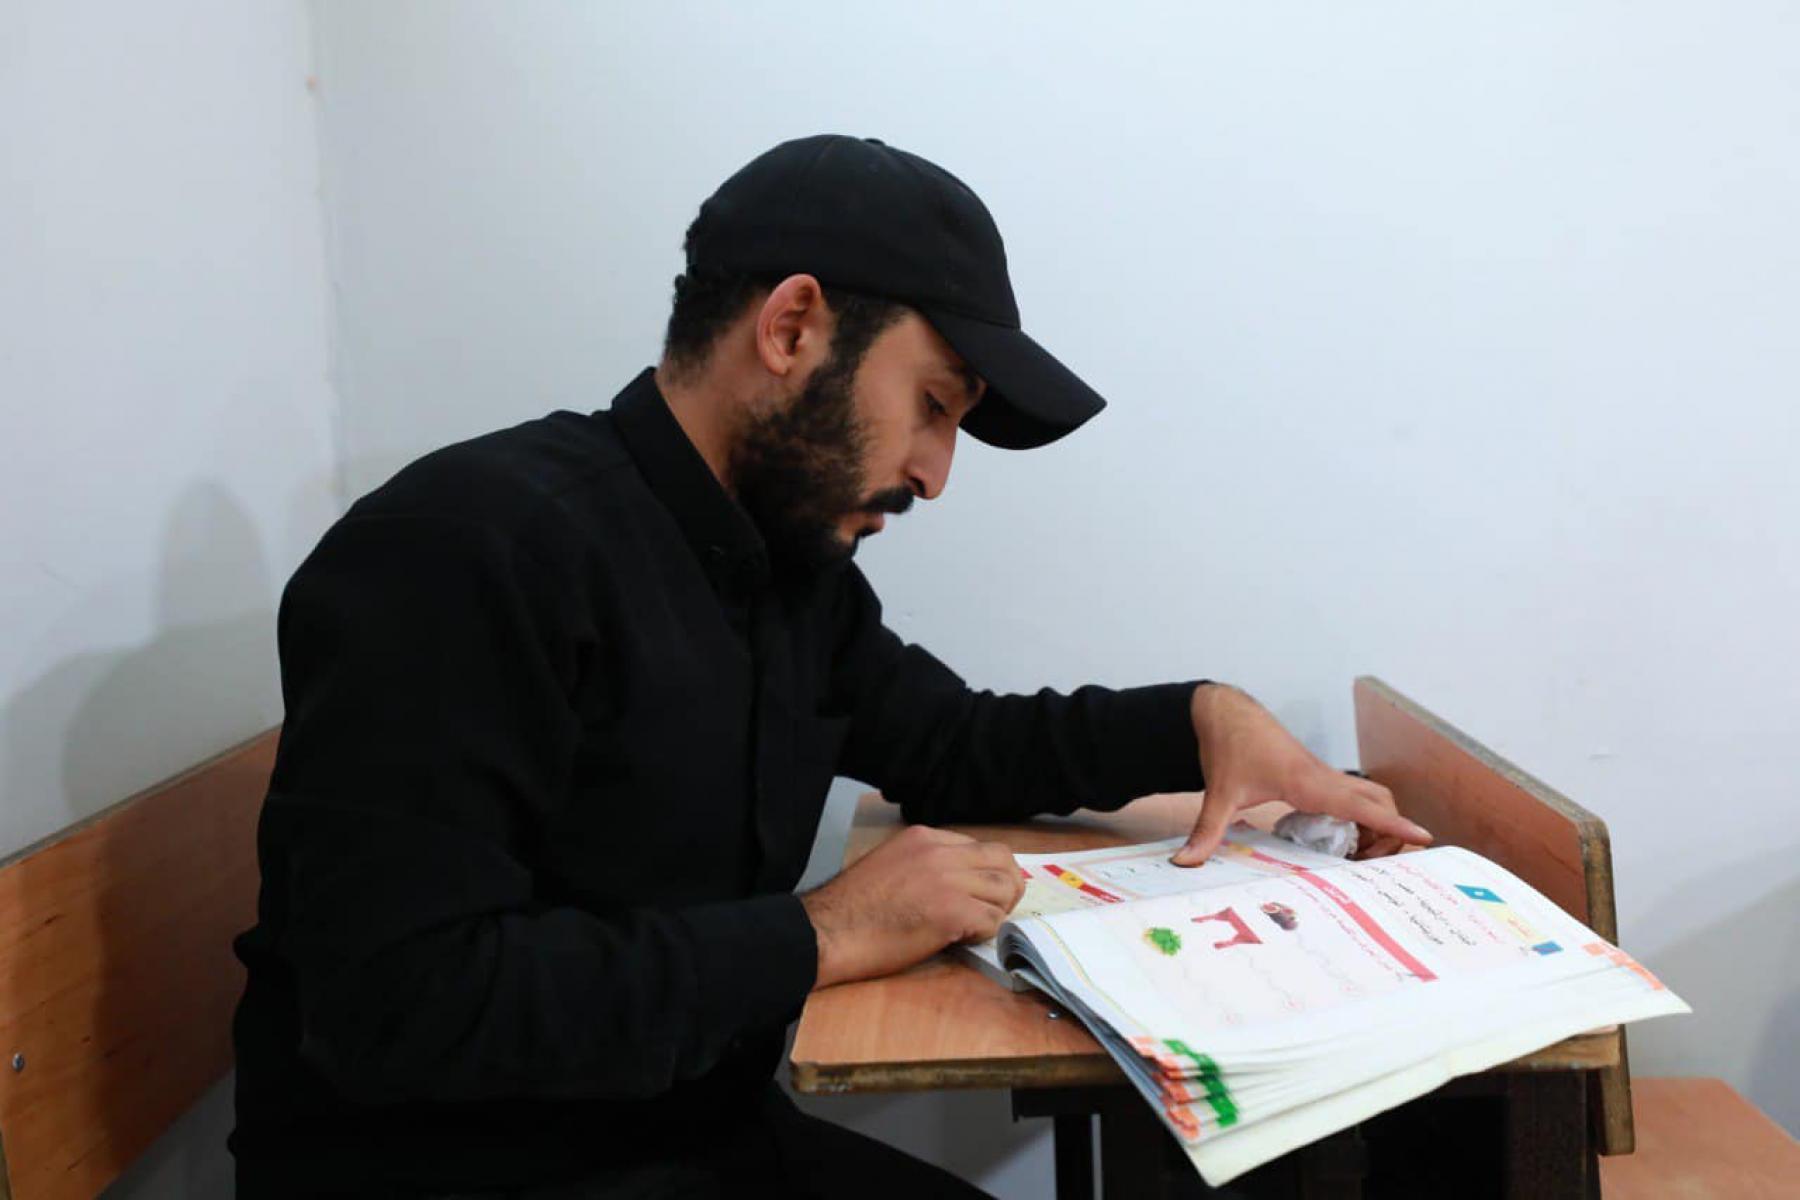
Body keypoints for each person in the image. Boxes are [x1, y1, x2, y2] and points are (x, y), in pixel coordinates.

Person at [228, 134, 1431, 1199]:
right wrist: (824, 934)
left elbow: (951, 742)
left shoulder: (784, 567)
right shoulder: (468, 549)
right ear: (792, 327)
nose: (936, 474)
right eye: (933, 406)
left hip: (692, 1139)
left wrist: (1201, 722)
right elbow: (401, 1005)